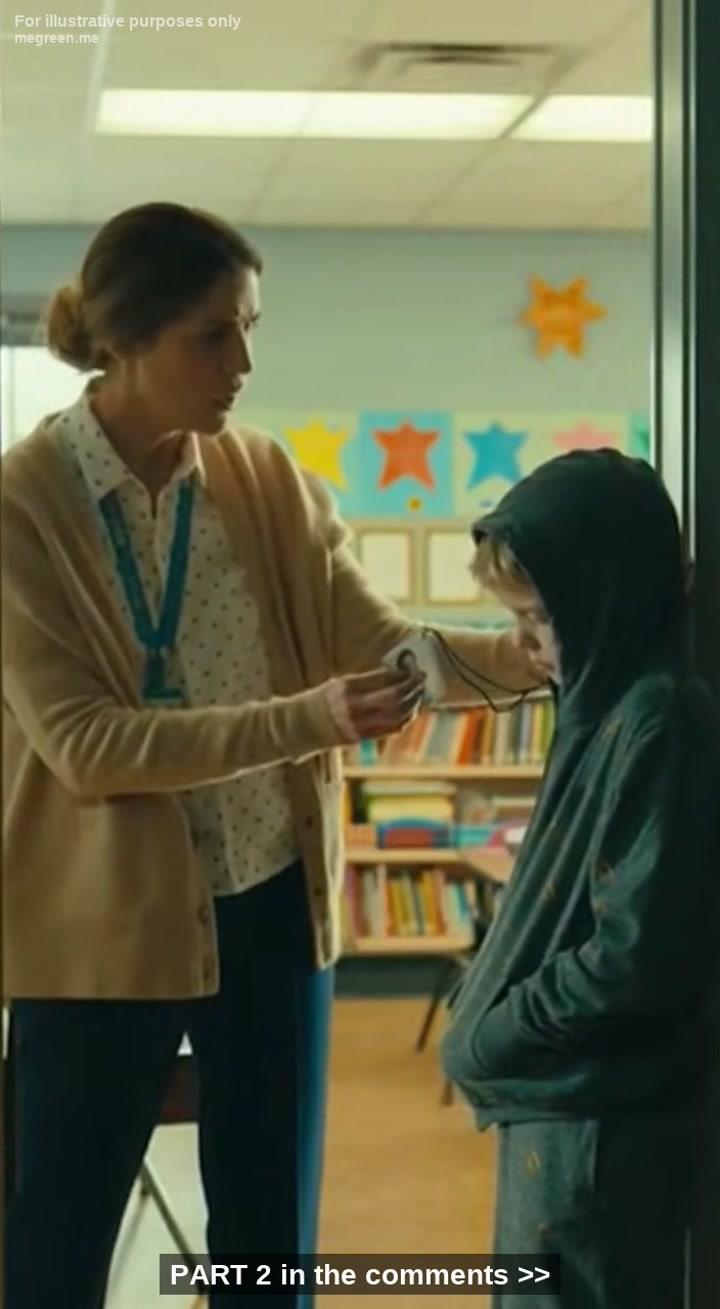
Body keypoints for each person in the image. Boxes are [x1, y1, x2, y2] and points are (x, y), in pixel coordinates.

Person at [1, 201, 538, 1309]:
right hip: (101, 926)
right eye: (213, 335)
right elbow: (89, 748)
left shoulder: (266, 480)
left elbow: (387, 649)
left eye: (250, 329)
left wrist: (540, 648)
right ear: (127, 337)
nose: (243, 364)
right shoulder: (22, 507)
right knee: (57, 1242)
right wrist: (311, 718)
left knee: (267, 1246)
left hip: (270, 903)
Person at [441, 449, 720, 1308]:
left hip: (599, 1126)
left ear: (605, 601)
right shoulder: (601, 710)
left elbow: (634, 956)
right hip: (560, 1108)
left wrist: (501, 1029)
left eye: (538, 616)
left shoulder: (659, 723)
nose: (521, 641)